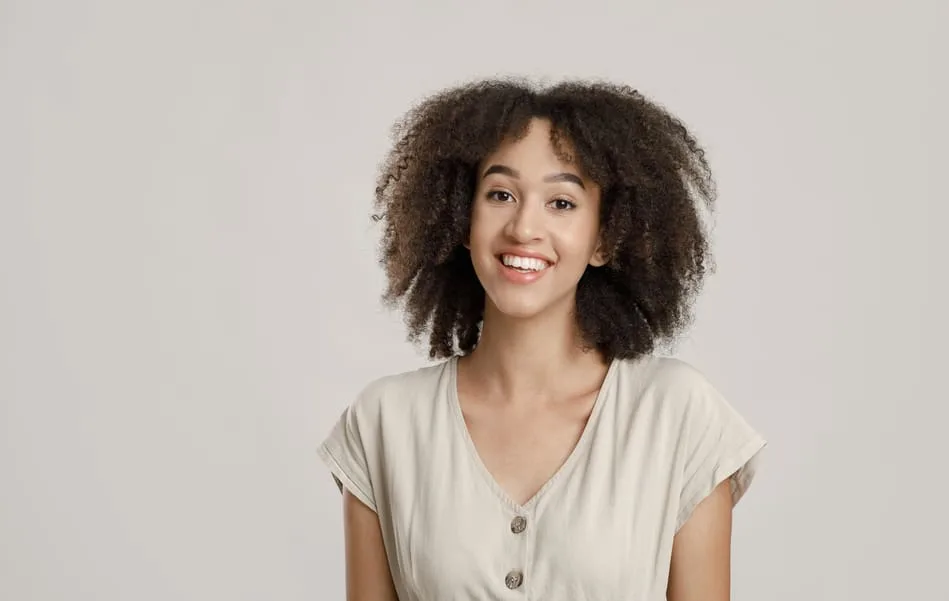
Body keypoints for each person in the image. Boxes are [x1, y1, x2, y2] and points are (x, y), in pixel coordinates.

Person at [317, 77, 767, 601]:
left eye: (561, 202)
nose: (524, 226)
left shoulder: (677, 417)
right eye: (501, 194)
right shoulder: (384, 422)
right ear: (463, 221)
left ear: (604, 238)